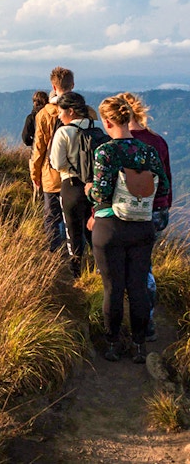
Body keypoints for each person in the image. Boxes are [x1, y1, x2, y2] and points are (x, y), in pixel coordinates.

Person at [85, 96, 169, 364]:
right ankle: (140, 346)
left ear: (107, 121)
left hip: (110, 228)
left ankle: (112, 345)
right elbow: (163, 186)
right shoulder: (148, 151)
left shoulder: (105, 152)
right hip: (142, 227)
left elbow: (101, 193)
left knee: (113, 289)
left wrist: (89, 190)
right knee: (137, 289)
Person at [119, 91, 173, 342]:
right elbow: (167, 180)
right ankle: (147, 319)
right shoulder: (158, 141)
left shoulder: (122, 144)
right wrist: (164, 206)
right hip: (158, 212)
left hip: (134, 213)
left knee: (135, 268)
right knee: (146, 263)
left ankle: (139, 323)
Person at [31, 67, 97, 252]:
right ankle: (87, 256)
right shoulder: (88, 111)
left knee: (52, 216)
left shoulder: (44, 114)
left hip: (52, 175)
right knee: (83, 217)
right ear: (73, 85)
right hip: (83, 175)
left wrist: (35, 174)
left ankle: (56, 255)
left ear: (53, 86)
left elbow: (39, 148)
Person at [49, 92, 94, 278]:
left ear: (71, 111)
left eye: (61, 112)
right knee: (93, 229)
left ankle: (76, 272)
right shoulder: (97, 128)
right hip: (95, 186)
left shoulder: (64, 132)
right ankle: (99, 267)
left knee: (73, 230)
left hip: (71, 184)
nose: (59, 116)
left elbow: (57, 164)